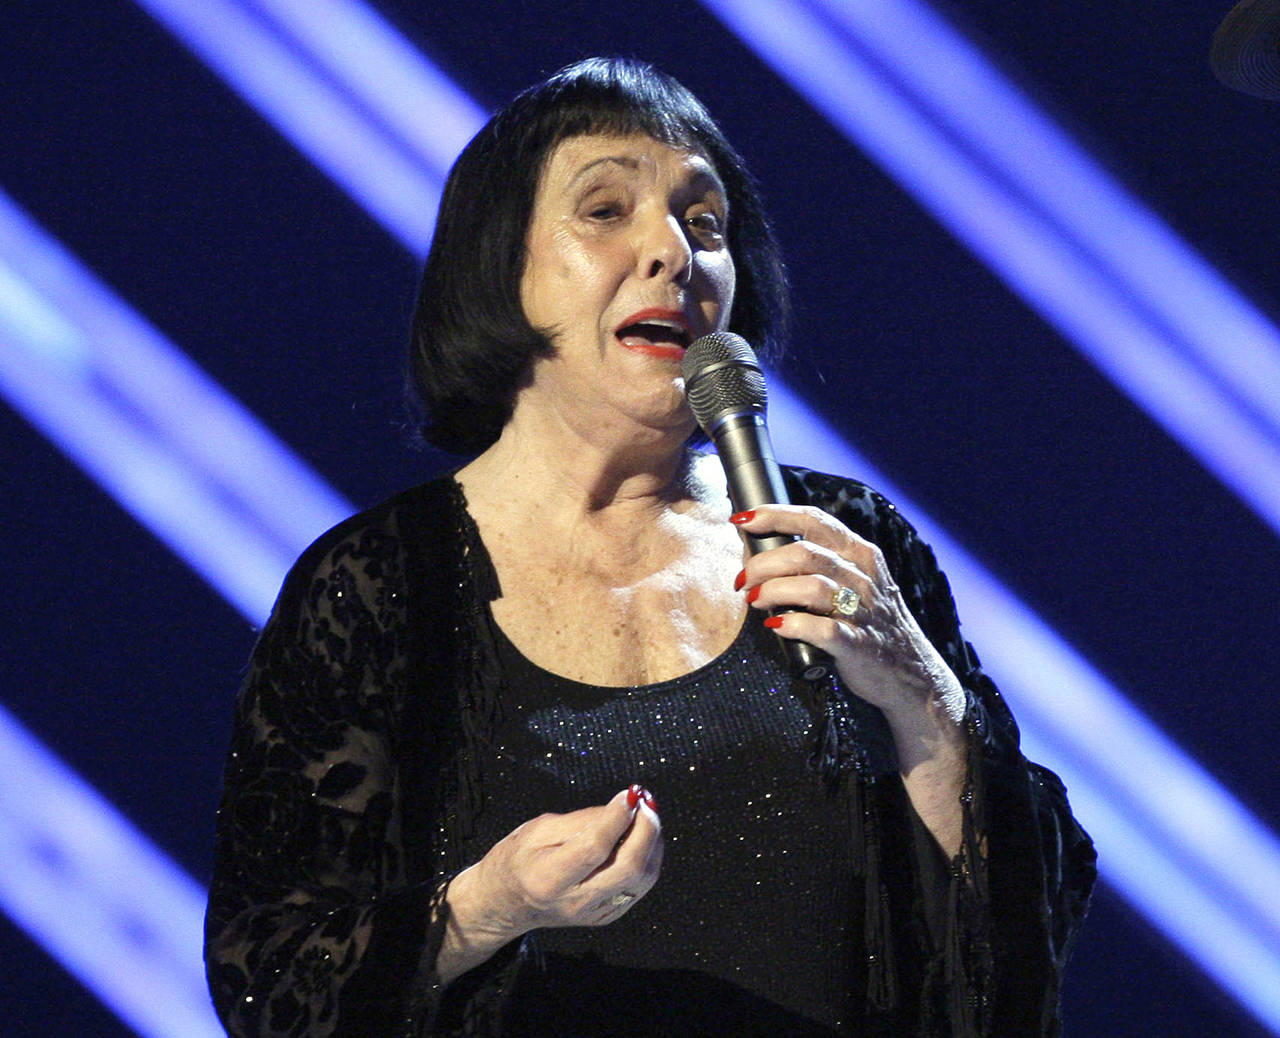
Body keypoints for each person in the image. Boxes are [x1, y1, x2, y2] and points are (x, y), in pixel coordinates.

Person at [204, 57, 1095, 1036]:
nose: (672, 252)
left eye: (704, 224)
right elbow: (270, 982)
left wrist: (924, 698)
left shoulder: (846, 544)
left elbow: (1018, 952)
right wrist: (488, 905)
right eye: (604, 211)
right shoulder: (376, 587)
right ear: (502, 265)